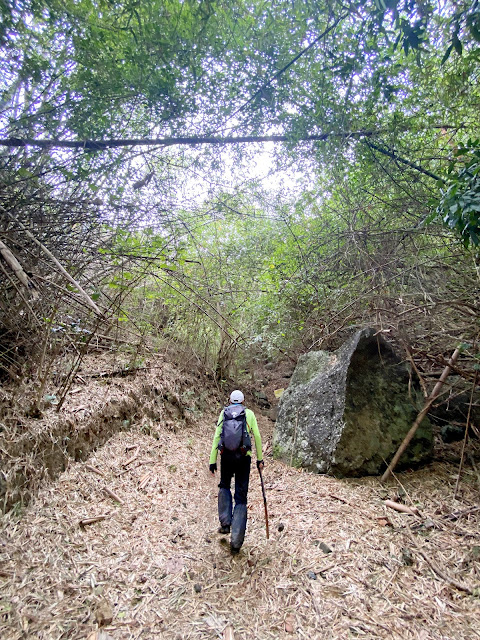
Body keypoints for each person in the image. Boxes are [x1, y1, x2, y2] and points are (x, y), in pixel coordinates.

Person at [209, 390, 263, 555]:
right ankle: (236, 543)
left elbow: (217, 436)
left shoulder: (224, 413)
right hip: (243, 459)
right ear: (243, 401)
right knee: (240, 497)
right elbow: (258, 437)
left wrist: (212, 460)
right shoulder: (249, 414)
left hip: (226, 457)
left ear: (230, 400)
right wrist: (259, 459)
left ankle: (225, 524)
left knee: (224, 485)